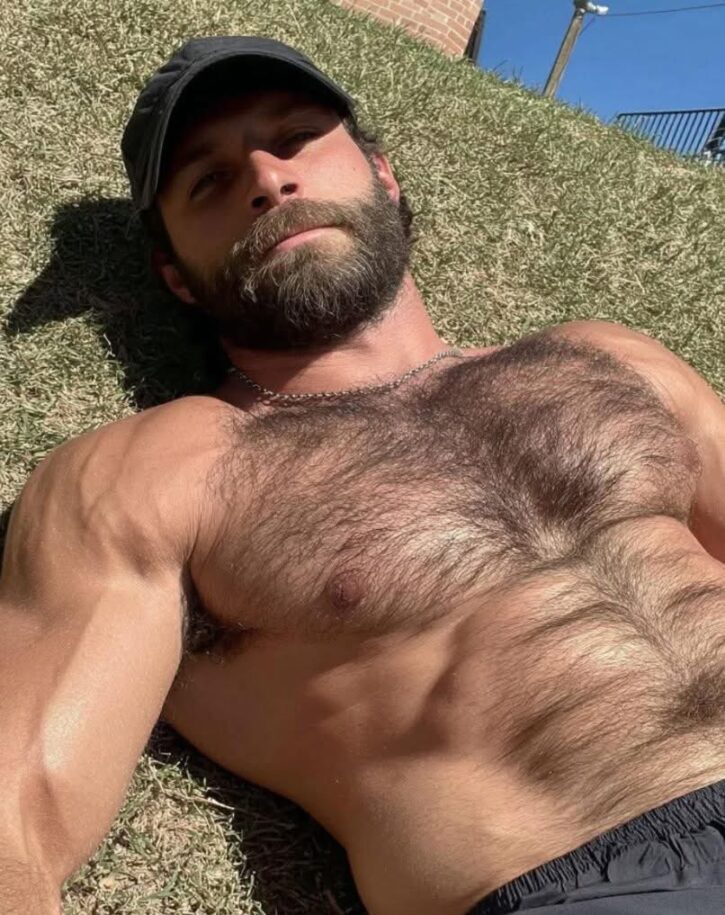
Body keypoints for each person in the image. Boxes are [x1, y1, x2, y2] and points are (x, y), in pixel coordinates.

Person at [1, 34, 724, 915]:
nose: (267, 180)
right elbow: (16, 809)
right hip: (597, 878)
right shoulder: (161, 467)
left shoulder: (605, 360)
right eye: (210, 181)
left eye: (295, 137)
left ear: (382, 173)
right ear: (176, 277)